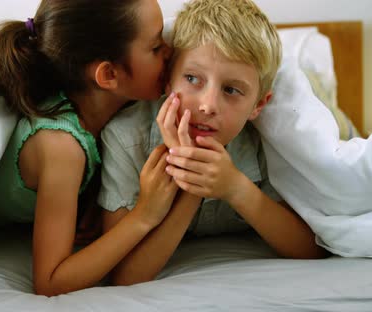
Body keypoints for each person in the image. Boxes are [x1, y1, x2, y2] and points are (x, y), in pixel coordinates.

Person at [0, 0, 177, 296]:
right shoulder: (61, 146)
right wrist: (144, 215)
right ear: (108, 75)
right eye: (156, 46)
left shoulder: (104, 103)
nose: (170, 51)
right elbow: (50, 282)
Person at [99, 0, 329, 286]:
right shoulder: (125, 140)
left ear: (258, 105)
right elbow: (126, 276)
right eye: (192, 78)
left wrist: (236, 188)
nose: (208, 106)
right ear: (168, 80)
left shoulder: (268, 140)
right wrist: (194, 187)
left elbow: (311, 249)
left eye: (231, 90)